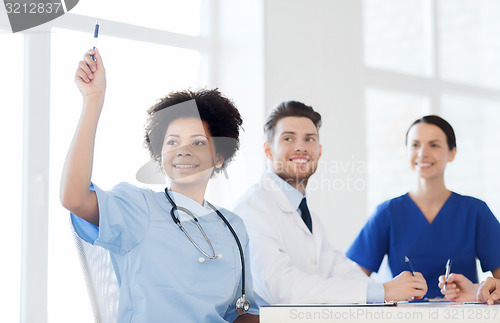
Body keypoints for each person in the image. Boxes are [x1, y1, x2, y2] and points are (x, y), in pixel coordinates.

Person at [60, 48, 259, 322]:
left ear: (219, 157)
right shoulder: (137, 208)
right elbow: (74, 198)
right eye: (172, 142)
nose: (183, 151)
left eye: (198, 142)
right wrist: (93, 100)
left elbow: (243, 312)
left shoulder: (233, 228)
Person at [233, 101, 427, 305]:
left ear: (319, 151)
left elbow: (338, 269)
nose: (300, 147)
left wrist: (392, 291)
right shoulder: (252, 208)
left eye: (309, 139)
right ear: (268, 150)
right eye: (288, 138)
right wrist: (382, 291)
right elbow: (284, 287)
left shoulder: (308, 217)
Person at [347, 115, 500, 298]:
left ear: (452, 153)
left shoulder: (476, 212)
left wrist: (478, 291)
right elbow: (353, 285)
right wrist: (388, 290)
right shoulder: (387, 213)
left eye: (434, 145)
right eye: (415, 145)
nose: (422, 153)